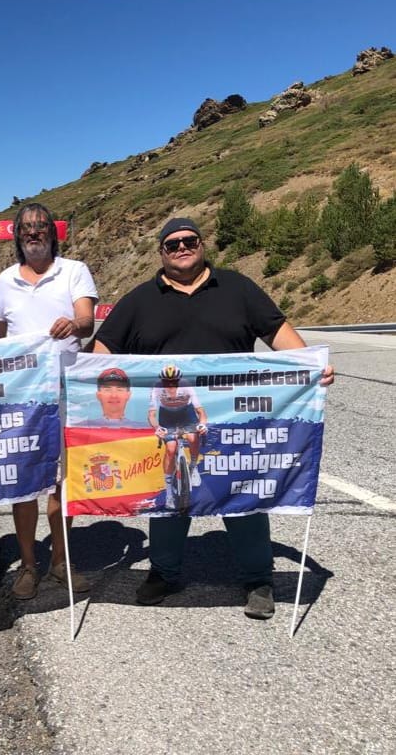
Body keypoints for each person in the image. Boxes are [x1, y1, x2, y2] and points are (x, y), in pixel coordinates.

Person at [93, 216, 335, 620]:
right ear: (161, 252)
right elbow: (101, 352)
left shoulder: (238, 288)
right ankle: (164, 572)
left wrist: (312, 369)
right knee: (169, 495)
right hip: (167, 414)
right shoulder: (139, 300)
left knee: (243, 495)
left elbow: (280, 334)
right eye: (172, 244)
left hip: (235, 416)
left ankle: (258, 579)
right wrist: (82, 381)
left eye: (189, 240)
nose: (182, 248)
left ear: (202, 244)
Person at [0, 202, 98, 600]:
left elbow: (86, 320)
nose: (34, 233)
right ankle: (28, 565)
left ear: (53, 233)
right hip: (22, 397)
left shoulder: (74, 270)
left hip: (66, 392)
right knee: (24, 483)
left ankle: (60, 561)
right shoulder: (4, 281)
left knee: (61, 481)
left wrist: (74, 323)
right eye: (26, 228)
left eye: (41, 227)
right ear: (17, 236)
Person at [148, 364, 207, 494]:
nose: (170, 385)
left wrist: (202, 424)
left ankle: (193, 466)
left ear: (179, 380)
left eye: (174, 382)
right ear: (162, 381)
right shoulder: (157, 387)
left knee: (193, 438)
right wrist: (157, 428)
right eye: (166, 382)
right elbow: (152, 414)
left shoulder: (186, 386)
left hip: (186, 414)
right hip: (167, 416)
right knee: (170, 449)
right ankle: (169, 491)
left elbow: (200, 411)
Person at [80, 367, 146, 428]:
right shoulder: (82, 427)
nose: (114, 395)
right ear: (98, 395)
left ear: (128, 395)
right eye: (107, 389)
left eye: (119, 389)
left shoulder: (143, 429)